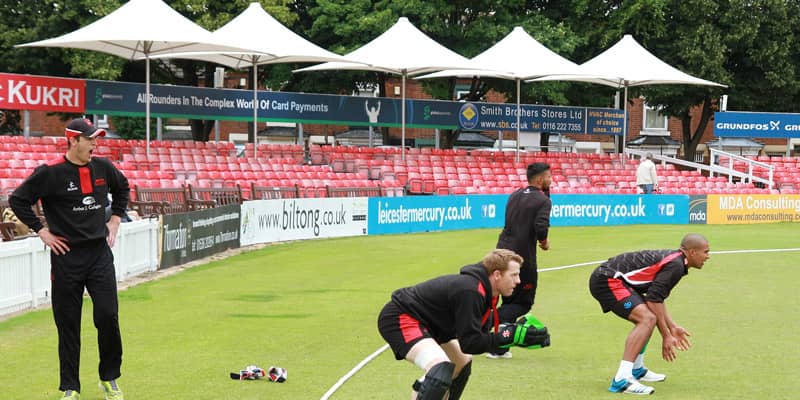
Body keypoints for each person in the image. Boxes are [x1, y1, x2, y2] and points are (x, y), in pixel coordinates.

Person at [9, 118, 129, 400]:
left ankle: (109, 377)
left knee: (108, 315)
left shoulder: (103, 167)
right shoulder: (49, 173)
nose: (95, 144)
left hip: (99, 254)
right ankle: (71, 387)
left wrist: (114, 220)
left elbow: (123, 188)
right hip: (66, 258)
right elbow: (18, 200)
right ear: (73, 141)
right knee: (68, 324)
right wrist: (42, 232)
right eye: (90, 139)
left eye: (96, 138)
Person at [377, 249, 550, 399]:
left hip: (431, 325)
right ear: (497, 275)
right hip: (401, 317)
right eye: (514, 275)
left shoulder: (488, 292)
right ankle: (427, 386)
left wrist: (514, 331)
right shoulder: (471, 291)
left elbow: (478, 329)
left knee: (461, 364)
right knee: (440, 370)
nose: (518, 281)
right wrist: (509, 336)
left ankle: (424, 387)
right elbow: (470, 343)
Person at [588, 234, 711, 395]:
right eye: (706, 252)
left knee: (650, 316)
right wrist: (666, 335)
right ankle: (622, 380)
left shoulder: (677, 262)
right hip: (607, 281)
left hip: (617, 281)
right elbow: (653, 301)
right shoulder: (676, 265)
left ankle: (637, 369)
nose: (708, 257)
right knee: (647, 318)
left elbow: (656, 298)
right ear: (693, 252)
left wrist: (672, 327)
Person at [489, 162, 552, 359]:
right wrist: (544, 241)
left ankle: (500, 345)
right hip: (520, 258)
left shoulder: (515, 194)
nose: (552, 180)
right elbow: (540, 227)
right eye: (549, 177)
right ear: (540, 179)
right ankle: (486, 328)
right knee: (523, 303)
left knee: (508, 299)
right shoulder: (542, 201)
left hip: (500, 251)